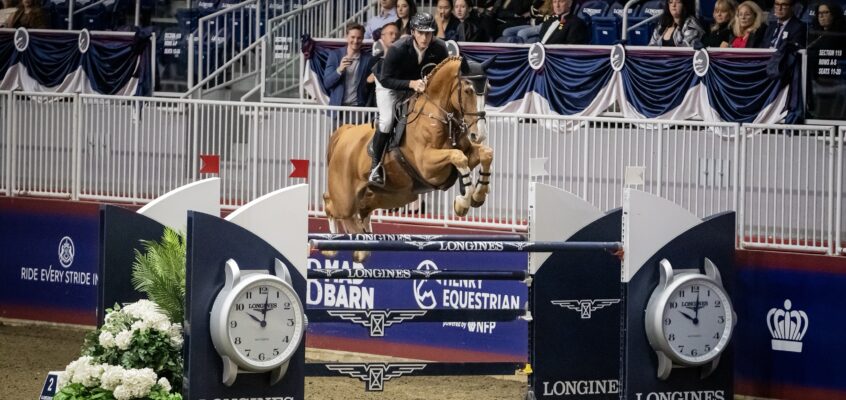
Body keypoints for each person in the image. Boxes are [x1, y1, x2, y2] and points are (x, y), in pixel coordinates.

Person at [368, 12, 450, 187]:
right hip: (388, 84)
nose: (425, 37)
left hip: (417, 84)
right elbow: (386, 79)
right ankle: (375, 167)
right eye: (421, 32)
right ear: (413, 32)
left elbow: (443, 73)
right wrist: (411, 83)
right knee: (387, 120)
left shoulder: (440, 48)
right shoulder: (397, 49)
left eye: (429, 33)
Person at [323, 23, 374, 107]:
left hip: (358, 108)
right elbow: (327, 83)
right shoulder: (335, 55)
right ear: (346, 37)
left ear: (363, 38)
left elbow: (368, 87)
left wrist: (368, 82)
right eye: (353, 37)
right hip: (337, 108)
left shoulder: (368, 59)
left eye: (359, 38)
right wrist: (339, 70)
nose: (356, 41)